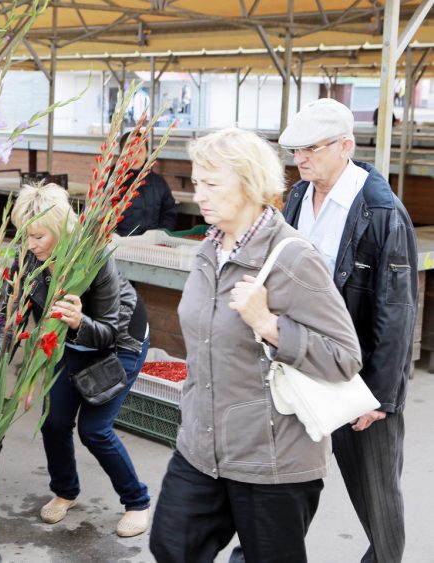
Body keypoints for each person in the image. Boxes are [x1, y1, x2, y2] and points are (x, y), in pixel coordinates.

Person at [149, 128, 363, 563]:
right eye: (196, 182)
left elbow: (345, 357)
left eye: (211, 184)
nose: (198, 194)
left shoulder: (293, 256)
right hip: (201, 447)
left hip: (272, 461)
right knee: (172, 546)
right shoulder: (209, 249)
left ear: (248, 183)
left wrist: (269, 324)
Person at [280, 99, 418, 563]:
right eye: (296, 150)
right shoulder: (298, 197)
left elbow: (396, 309)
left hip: (357, 377)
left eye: (311, 149)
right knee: (287, 486)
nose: (300, 159)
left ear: (345, 146)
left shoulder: (381, 211)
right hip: (303, 364)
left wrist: (378, 395)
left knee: (377, 502)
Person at [10, 182, 152, 538]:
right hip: (68, 342)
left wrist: (78, 322)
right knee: (53, 421)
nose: (30, 245)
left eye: (39, 237)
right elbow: (10, 316)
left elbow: (107, 330)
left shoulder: (95, 257)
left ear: (60, 230)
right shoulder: (29, 258)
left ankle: (137, 501)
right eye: (26, 237)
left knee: (94, 429)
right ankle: (65, 491)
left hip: (118, 341)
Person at [113, 131, 178, 237]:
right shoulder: (109, 183)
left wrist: (159, 236)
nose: (134, 156)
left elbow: (169, 214)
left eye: (140, 151)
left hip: (150, 247)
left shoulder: (159, 183)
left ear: (147, 152)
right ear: (121, 152)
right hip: (117, 246)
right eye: (129, 150)